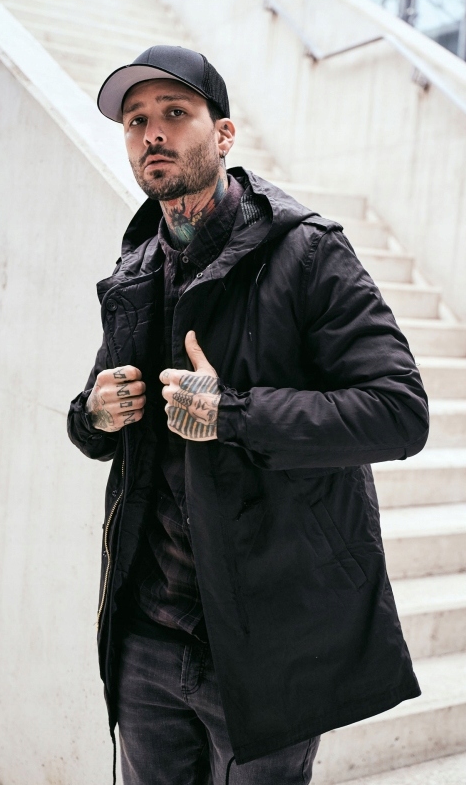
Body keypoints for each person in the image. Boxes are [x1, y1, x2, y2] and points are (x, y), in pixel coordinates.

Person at [67, 44, 429, 785]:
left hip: (267, 641)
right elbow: (97, 421)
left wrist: (232, 414)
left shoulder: (307, 252)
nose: (152, 133)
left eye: (175, 112)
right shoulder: (137, 266)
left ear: (224, 134)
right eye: (136, 121)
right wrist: (92, 415)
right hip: (146, 636)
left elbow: (398, 411)